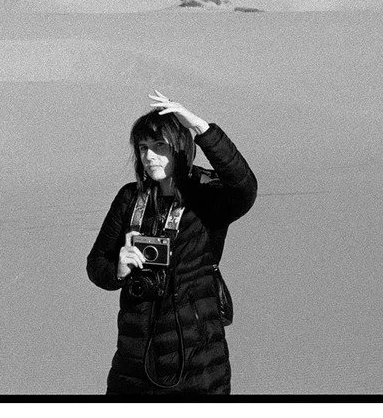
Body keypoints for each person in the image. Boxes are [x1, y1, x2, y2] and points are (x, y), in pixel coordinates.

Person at [86, 90, 257, 396]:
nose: (149, 156)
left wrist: (199, 128)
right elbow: (96, 265)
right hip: (134, 359)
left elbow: (244, 187)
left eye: (159, 146)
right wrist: (119, 269)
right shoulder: (130, 198)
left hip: (197, 361)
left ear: (178, 148)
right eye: (143, 147)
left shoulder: (205, 197)